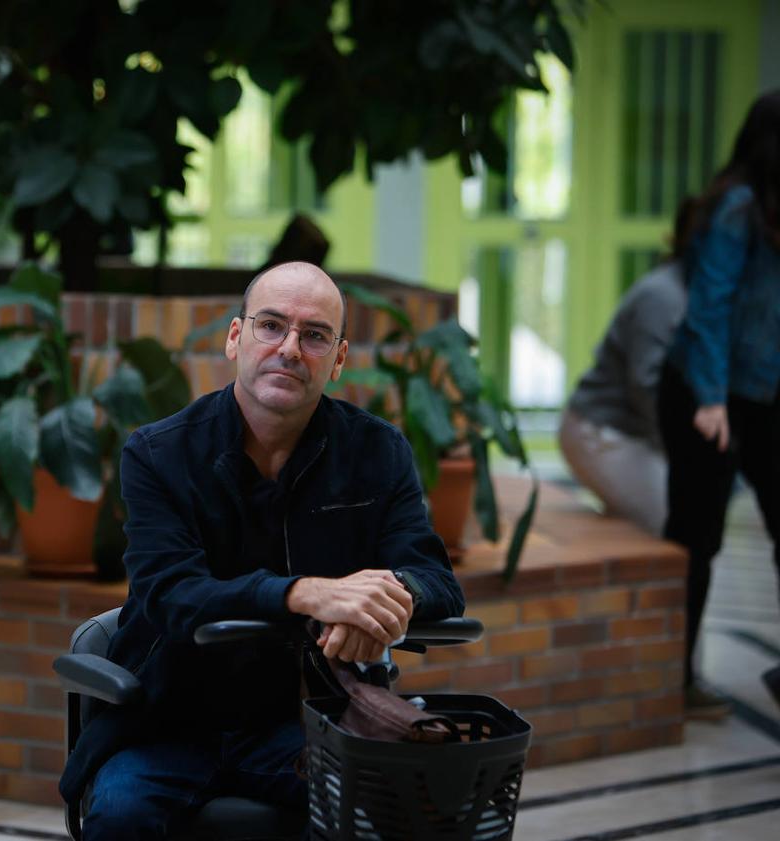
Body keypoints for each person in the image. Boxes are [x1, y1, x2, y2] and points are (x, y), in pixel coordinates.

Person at [59, 261, 465, 840]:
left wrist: (381, 602)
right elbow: (171, 596)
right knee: (122, 815)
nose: (290, 349)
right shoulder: (157, 453)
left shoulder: (378, 451)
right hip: (167, 719)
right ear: (235, 337)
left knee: (399, 806)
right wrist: (305, 595)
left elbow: (436, 581)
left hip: (302, 720)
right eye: (271, 325)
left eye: (315, 335)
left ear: (339, 358)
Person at [657, 89, 780, 720]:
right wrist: (710, 399)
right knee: (696, 538)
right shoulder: (737, 205)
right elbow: (710, 305)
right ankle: (675, 680)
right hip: (708, 394)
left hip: (757, 394)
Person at [559, 202, 693, 536]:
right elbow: (646, 385)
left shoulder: (697, 294)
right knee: (676, 520)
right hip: (604, 431)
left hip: (636, 435)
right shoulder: (663, 296)